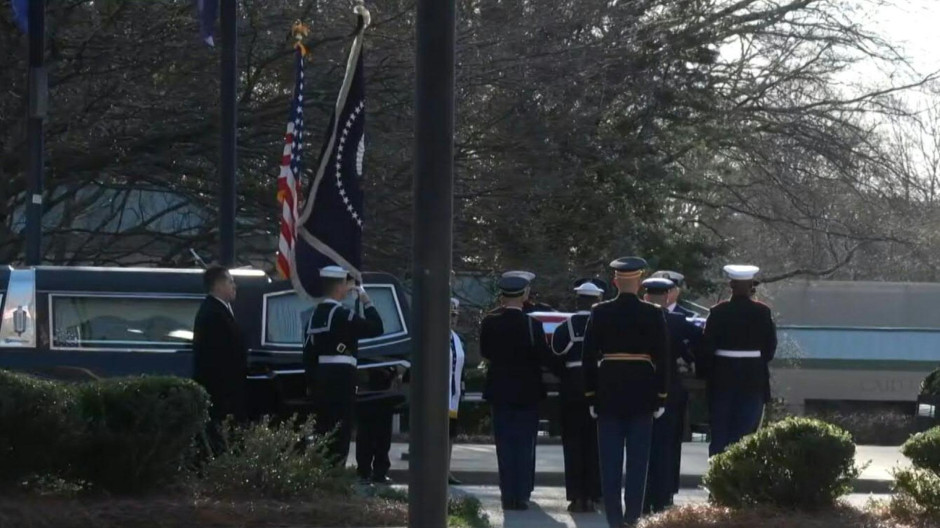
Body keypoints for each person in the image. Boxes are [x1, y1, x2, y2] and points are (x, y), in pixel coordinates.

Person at [583, 257, 670, 528]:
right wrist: (661, 396)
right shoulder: (654, 313)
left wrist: (591, 395)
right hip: (642, 395)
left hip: (608, 394)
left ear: (615, 281)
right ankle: (632, 521)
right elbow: (664, 359)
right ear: (640, 281)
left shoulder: (600, 312)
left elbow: (588, 358)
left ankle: (614, 522)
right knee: (637, 466)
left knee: (609, 466)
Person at [480, 274, 552, 511]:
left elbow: (486, 352)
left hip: (500, 390)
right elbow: (543, 357)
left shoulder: (490, 322)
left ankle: (507, 492)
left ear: (502, 295)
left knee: (505, 444)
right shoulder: (533, 325)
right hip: (527, 392)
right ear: (524, 295)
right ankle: (522, 493)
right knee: (524, 444)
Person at [304, 265, 384, 465]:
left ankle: (323, 472)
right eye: (346, 284)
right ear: (339, 286)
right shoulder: (342, 314)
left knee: (324, 429)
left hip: (321, 378)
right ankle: (336, 474)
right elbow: (377, 327)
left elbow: (307, 353)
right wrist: (365, 299)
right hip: (342, 378)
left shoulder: (313, 315)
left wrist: (312, 382)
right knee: (341, 430)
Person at [698, 265, 777, 457]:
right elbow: (769, 349)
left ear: (731, 285)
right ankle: (738, 482)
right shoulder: (762, 312)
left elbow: (706, 349)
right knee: (746, 434)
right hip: (752, 378)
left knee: (720, 431)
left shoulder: (717, 312)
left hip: (722, 378)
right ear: (751, 286)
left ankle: (716, 478)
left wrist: (707, 373)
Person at [641, 277, 701, 513]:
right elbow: (700, 341)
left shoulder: (638, 319)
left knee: (641, 446)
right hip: (670, 389)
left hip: (641, 388)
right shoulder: (677, 321)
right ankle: (663, 496)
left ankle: (643, 497)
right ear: (667, 297)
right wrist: (689, 358)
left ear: (646, 297)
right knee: (667, 447)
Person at [551, 279, 603, 513]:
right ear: (598, 301)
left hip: (571, 387)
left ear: (577, 300)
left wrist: (565, 375)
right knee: (595, 445)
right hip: (598, 387)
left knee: (572, 444)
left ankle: (575, 496)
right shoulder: (604, 325)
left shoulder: (566, 327)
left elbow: (554, 355)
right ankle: (593, 494)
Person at [192, 265, 247, 453]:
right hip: (221, 394)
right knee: (220, 442)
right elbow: (219, 357)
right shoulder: (213, 313)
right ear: (219, 284)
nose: (234, 286)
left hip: (227, 393)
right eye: (231, 281)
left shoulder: (220, 310)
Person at [355, 364, 401, 485]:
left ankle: (379, 472)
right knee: (366, 433)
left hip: (385, 385)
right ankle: (364, 471)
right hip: (369, 384)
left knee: (383, 434)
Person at [448, 297, 466, 485]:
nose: (453, 319)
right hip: (437, 396)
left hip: (453, 396)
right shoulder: (434, 336)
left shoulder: (457, 339)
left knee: (449, 434)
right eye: (450, 315)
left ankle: (446, 470)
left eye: (455, 316)